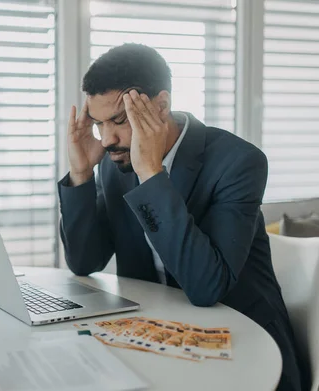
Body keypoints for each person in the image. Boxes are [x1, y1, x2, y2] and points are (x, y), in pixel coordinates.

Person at [58, 43, 308, 391]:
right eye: (99, 124)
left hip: (245, 347)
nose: (107, 139)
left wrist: (151, 174)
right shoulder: (116, 163)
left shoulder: (238, 162)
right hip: (156, 339)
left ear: (161, 106)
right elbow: (84, 261)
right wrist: (81, 172)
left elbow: (207, 288)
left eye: (119, 120)